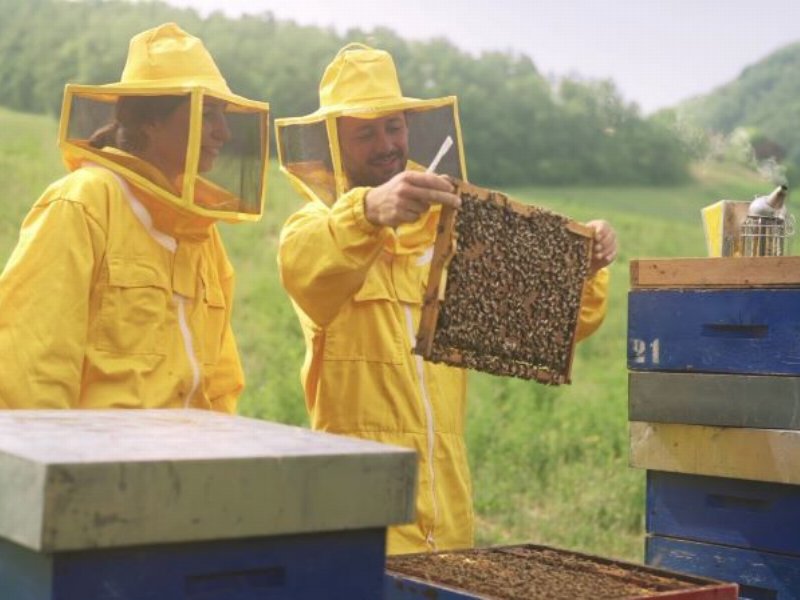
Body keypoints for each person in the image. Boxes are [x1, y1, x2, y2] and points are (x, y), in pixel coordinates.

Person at [276, 44, 617, 554]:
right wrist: (367, 211)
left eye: (394, 127)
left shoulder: (450, 237)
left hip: (449, 511)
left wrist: (582, 267)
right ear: (334, 143)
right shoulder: (314, 228)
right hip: (360, 512)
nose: (386, 144)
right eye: (365, 133)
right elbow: (307, 265)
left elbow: (546, 322)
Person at [0, 23, 270, 410]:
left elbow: (220, 380)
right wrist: (58, 466)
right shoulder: (83, 201)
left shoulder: (198, 230)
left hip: (182, 464)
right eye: (208, 114)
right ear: (150, 119)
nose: (223, 133)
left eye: (222, 115)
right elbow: (31, 363)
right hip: (100, 462)